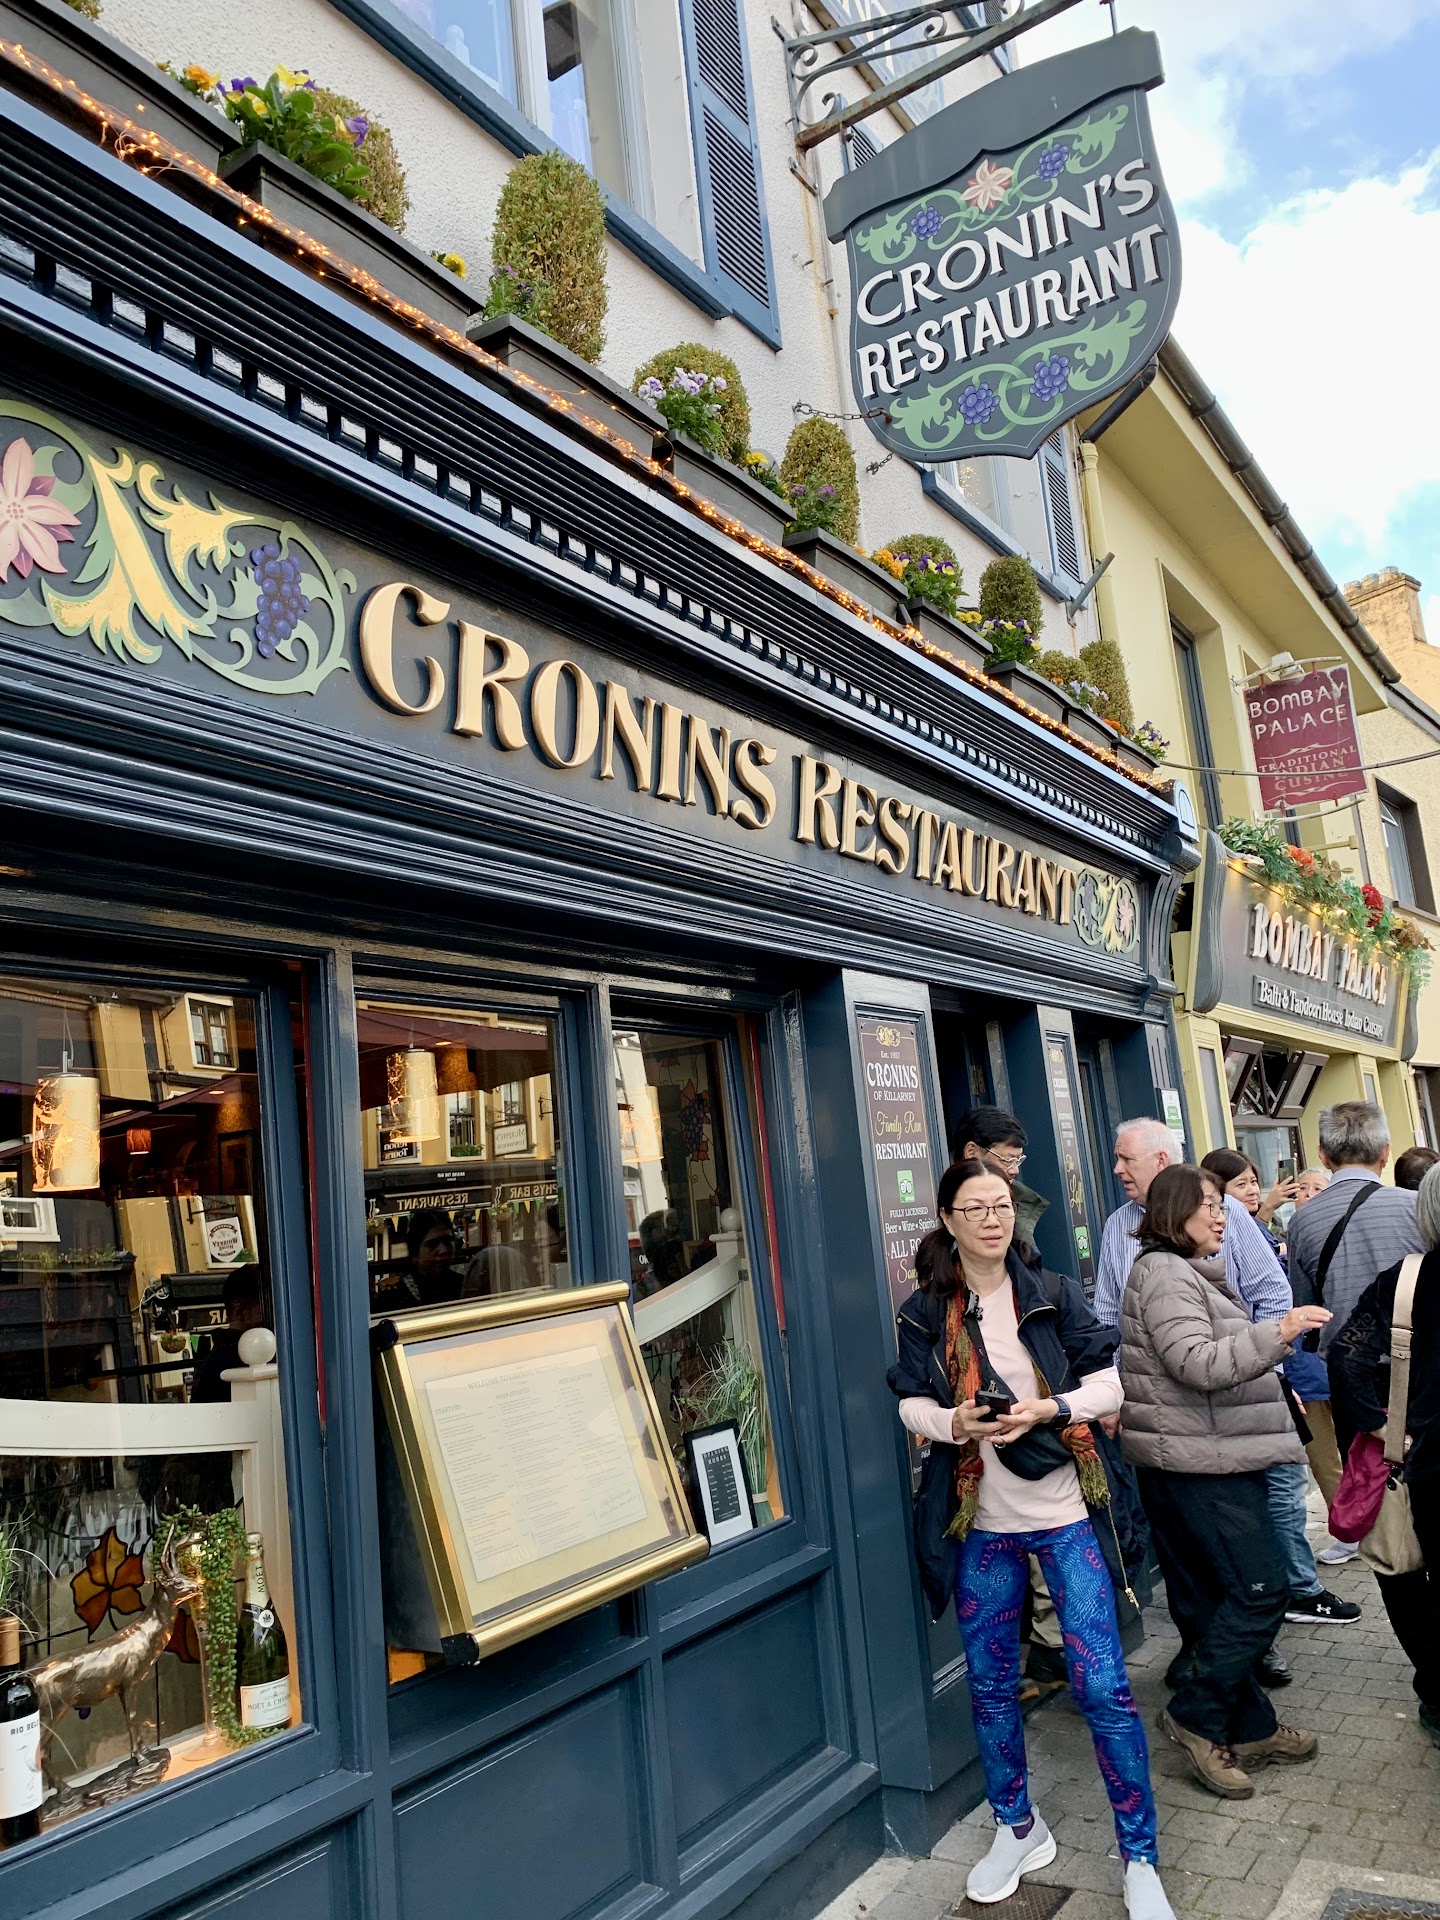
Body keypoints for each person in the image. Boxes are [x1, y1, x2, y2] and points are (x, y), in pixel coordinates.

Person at [888, 1158, 1172, 1918]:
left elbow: (1112, 1379)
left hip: (1067, 1516)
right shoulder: (925, 1313)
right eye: (975, 1208)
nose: (993, 1219)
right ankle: (1018, 1828)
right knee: (989, 1689)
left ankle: (1140, 1858)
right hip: (982, 1526)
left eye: (1002, 1205)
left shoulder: (1052, 1292)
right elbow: (908, 1401)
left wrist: (1049, 1410)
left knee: (1103, 1688)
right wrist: (952, 1422)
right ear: (947, 1220)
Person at [1119, 1164, 1329, 1799]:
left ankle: (1252, 1728)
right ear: (1176, 1212)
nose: (1222, 1216)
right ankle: (1196, 1715)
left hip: (1203, 1458)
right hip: (1200, 1466)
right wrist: (1280, 1332)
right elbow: (1198, 1363)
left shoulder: (1183, 1271)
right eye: (1210, 1205)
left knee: (1217, 1600)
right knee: (1262, 1590)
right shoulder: (1166, 1274)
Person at [1100, 1120, 1359, 1634]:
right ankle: (1224, 1652)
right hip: (1173, 1427)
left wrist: (1269, 1373)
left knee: (1275, 1505)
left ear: (1160, 1161)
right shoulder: (1117, 1230)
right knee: (1202, 1555)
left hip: (1242, 1402)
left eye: (1126, 1158)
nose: (1117, 1169)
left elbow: (1271, 1293)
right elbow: (1109, 1321)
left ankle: (1289, 1602)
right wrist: (1114, 1390)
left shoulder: (1228, 1216)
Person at [1329, 1161, 1440, 1748]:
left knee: (1405, 1575)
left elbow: (1345, 1357)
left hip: (1426, 1461)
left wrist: (1381, 1428)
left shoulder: (1407, 1279)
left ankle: (1437, 1689)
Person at [1287, 1103, 1426, 1374]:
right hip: (1422, 1364)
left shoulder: (1302, 1221)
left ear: (1323, 1155)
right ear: (1385, 1152)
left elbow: (1306, 1305)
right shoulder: (1419, 1207)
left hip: (1348, 1370)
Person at [953, 1106, 1048, 1260]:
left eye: (1018, 1160)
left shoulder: (1021, 1203)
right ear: (972, 1153)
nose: (1015, 1170)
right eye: (1007, 1160)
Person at [371, 1209, 465, 1311]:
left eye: (448, 1241)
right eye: (432, 1245)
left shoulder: (465, 1285)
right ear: (415, 1254)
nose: (443, 1250)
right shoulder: (392, 1300)